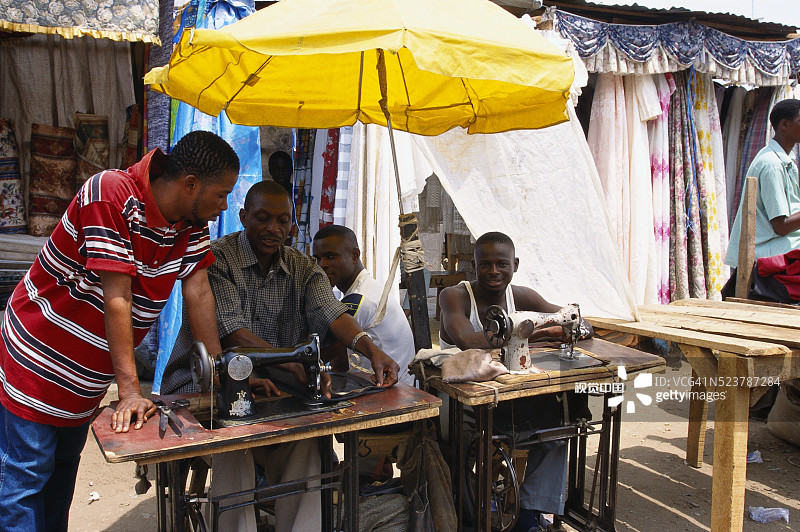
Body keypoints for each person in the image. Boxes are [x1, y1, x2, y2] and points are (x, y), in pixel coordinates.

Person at [0, 130, 239, 531]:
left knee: (59, 479)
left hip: (85, 376)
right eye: (221, 194)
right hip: (38, 359)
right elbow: (118, 297)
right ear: (190, 185)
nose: (225, 206)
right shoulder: (110, 193)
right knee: (25, 483)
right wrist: (130, 392)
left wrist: (219, 377)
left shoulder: (190, 222)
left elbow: (198, 289)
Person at [161, 180, 400, 532]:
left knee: (306, 447)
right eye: (263, 218)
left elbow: (332, 313)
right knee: (234, 449)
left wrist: (370, 347)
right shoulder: (218, 259)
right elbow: (232, 332)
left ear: (292, 224)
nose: (273, 229)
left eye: (283, 221)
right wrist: (291, 363)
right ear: (243, 216)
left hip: (274, 390)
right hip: (208, 386)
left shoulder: (302, 268)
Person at [438, 231, 593, 532]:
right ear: (474, 265)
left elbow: (576, 321)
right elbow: (468, 339)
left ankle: (530, 513)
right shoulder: (454, 296)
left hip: (506, 396)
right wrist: (542, 331)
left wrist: (574, 324)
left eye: (501, 264)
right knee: (457, 448)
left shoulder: (521, 296)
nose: (493, 272)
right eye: (485, 264)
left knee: (556, 427)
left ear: (515, 264)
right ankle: (474, 511)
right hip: (461, 399)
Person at [312, 224, 416, 385]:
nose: (322, 265)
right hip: (394, 383)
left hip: (393, 388)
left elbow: (321, 355)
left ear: (355, 255)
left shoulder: (360, 299)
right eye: (317, 258)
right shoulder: (367, 288)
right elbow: (340, 362)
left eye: (331, 257)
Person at [725, 98, 800, 271]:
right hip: (764, 249)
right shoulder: (772, 164)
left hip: (776, 243)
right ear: (784, 125)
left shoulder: (779, 160)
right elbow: (781, 226)